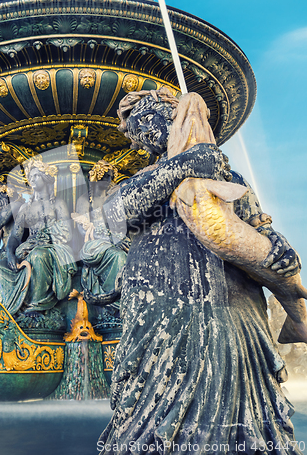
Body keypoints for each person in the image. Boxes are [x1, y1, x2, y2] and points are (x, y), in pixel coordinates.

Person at [98, 88, 302, 455]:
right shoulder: (139, 182)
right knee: (151, 411)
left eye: (153, 114)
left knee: (244, 407)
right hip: (160, 309)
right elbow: (113, 217)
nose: (145, 127)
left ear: (176, 117)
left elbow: (261, 230)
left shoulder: (230, 176)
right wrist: (183, 163)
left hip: (235, 310)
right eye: (137, 126)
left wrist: (280, 262)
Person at [0, 159, 77, 316]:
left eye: (36, 175)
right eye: (30, 177)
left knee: (38, 255)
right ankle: (7, 312)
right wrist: (10, 253)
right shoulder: (25, 208)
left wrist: (47, 237)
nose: (32, 180)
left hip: (53, 248)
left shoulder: (58, 203)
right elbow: (15, 237)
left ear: (45, 178)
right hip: (28, 248)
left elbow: (68, 232)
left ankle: (37, 306)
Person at [73, 160, 129, 319]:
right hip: (93, 243)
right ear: (96, 177)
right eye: (104, 177)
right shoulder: (85, 200)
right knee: (118, 257)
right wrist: (112, 238)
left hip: (114, 239)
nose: (107, 182)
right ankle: (114, 304)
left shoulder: (113, 198)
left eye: (110, 178)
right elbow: (81, 228)